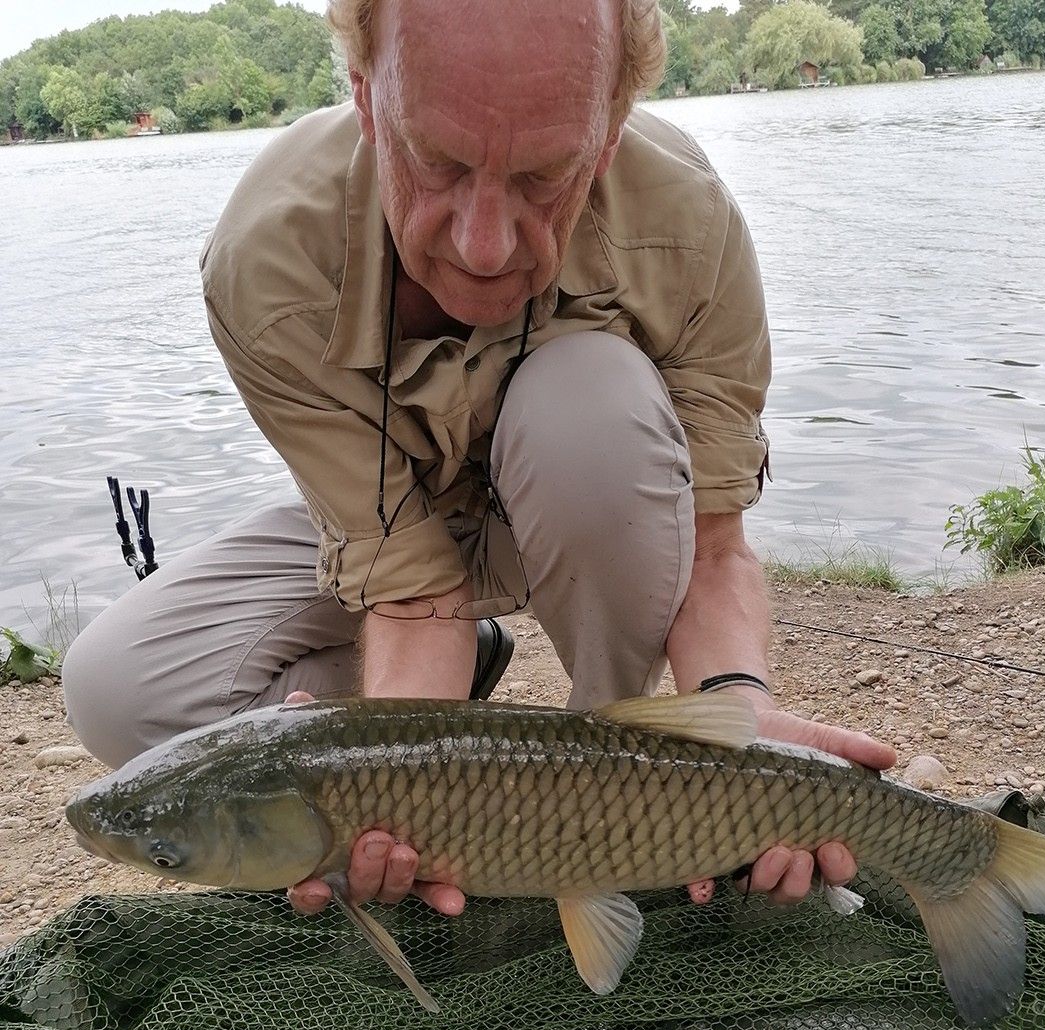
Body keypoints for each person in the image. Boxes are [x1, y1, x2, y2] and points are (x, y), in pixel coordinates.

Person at [62, 0, 895, 925]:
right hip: (397, 527)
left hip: (594, 492)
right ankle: (481, 696)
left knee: (590, 406)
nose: (485, 243)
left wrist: (736, 718)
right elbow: (406, 589)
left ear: (608, 133)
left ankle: (607, 775)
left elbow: (709, 545)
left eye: (545, 175)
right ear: (367, 102)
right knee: (116, 690)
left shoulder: (688, 221)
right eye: (439, 162)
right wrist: (391, 807)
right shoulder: (267, 258)